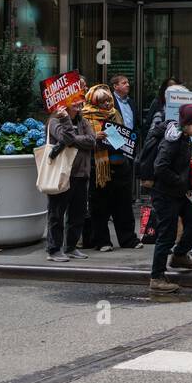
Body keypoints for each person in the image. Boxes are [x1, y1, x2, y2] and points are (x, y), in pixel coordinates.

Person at [149, 104, 192, 294]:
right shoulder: (172, 140)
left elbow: (182, 162)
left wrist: (190, 164)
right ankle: (156, 277)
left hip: (180, 192)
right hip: (165, 193)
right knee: (166, 234)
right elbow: (160, 167)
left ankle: (180, 254)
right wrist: (180, 180)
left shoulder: (184, 138)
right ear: (186, 123)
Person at [80, 85, 139, 252]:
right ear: (93, 102)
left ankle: (128, 239)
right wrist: (94, 137)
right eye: (102, 101)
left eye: (108, 100)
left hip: (120, 164)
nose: (107, 104)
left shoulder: (115, 114)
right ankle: (102, 241)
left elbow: (125, 137)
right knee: (99, 207)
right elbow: (79, 140)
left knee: (124, 205)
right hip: (98, 166)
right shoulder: (84, 116)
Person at [45, 96, 97, 262]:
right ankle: (54, 250)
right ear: (65, 103)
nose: (78, 104)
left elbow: (92, 141)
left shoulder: (83, 121)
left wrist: (74, 140)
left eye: (79, 101)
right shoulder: (55, 121)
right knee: (57, 213)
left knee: (78, 213)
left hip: (81, 174)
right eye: (74, 101)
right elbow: (65, 139)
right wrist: (66, 121)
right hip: (62, 174)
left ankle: (71, 247)